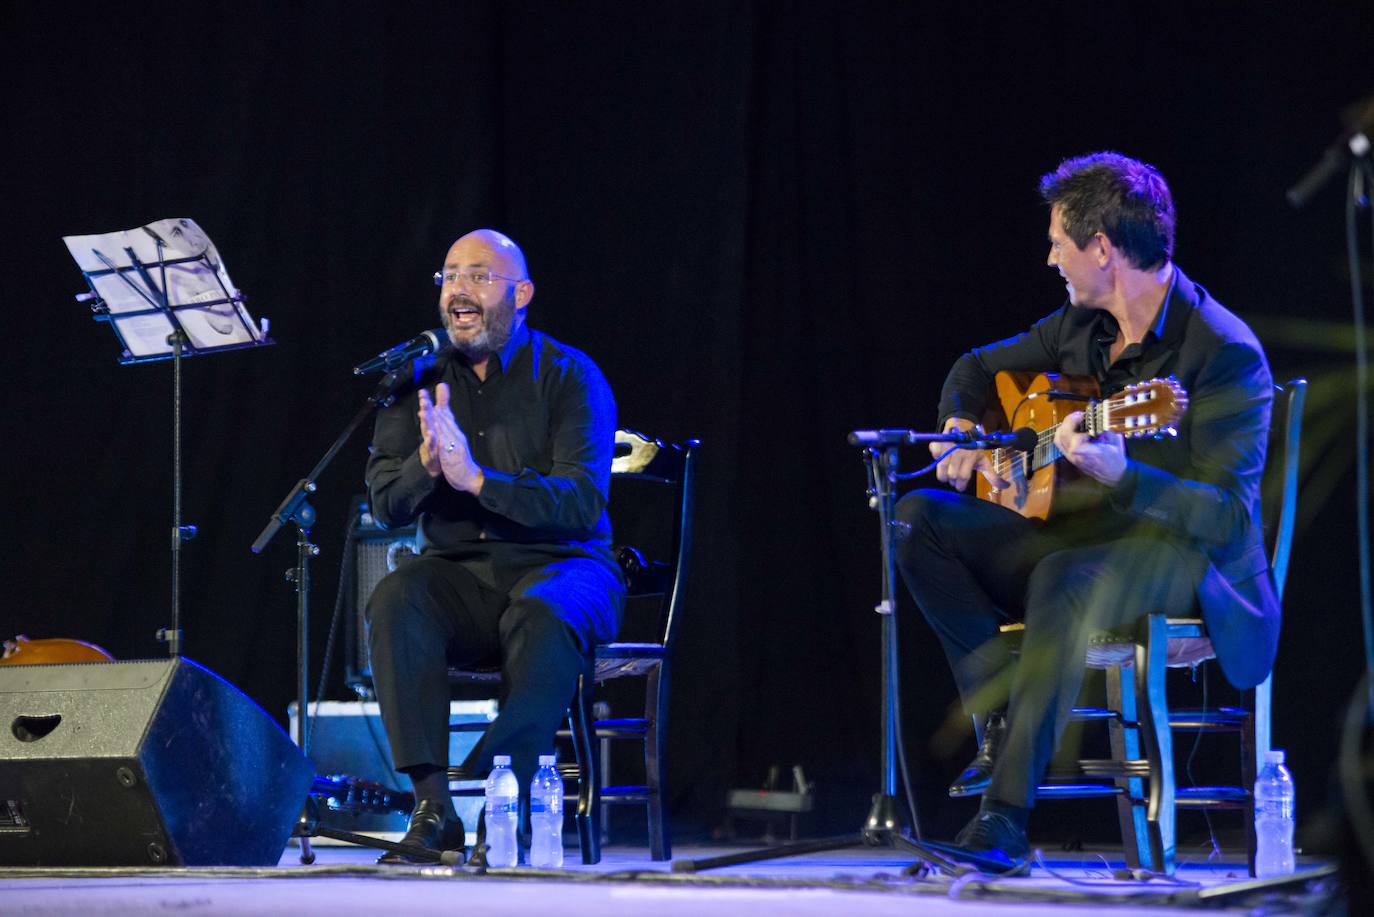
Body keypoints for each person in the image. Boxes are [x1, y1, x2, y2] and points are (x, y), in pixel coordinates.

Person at [895, 152, 1277, 864]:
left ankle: (1003, 820)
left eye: (1058, 243)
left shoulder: (1224, 351)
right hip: (1082, 538)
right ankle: (1002, 722)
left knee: (1064, 577)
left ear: (1101, 247)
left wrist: (1125, 477)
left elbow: (1227, 514)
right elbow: (976, 366)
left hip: (1185, 559)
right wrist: (960, 425)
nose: (1050, 258)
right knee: (917, 520)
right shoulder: (1082, 326)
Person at [364, 228, 624, 863]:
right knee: (397, 596)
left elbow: (580, 501)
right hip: (463, 579)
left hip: (567, 566)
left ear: (522, 293)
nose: (460, 289)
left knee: (544, 612)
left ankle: (501, 806)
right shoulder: (415, 382)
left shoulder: (571, 376)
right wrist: (429, 464)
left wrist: (478, 480)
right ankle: (434, 809)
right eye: (450, 276)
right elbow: (384, 503)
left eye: (479, 275)